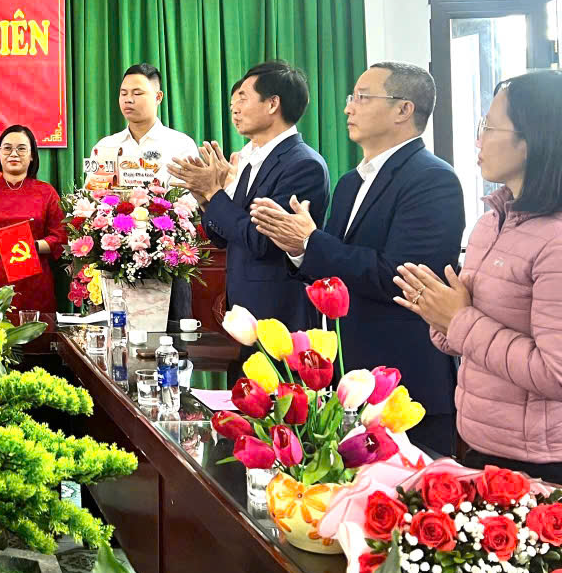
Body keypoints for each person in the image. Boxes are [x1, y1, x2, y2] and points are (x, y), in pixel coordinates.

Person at [251, 62, 464, 456]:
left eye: (362, 98)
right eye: (351, 98)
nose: (348, 108)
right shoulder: (351, 182)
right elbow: (330, 267)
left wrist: (311, 241)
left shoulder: (433, 179)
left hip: (404, 383)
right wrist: (298, 249)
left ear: (404, 109)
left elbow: (400, 277)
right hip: (348, 380)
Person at [393, 70, 562, 481]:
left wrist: (458, 319)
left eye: (489, 127)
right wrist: (437, 312)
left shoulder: (555, 240)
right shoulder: (490, 224)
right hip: (478, 440)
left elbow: (555, 374)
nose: (478, 140)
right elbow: (463, 338)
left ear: (532, 139)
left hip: (539, 461)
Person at [170, 63, 329, 326]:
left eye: (243, 98)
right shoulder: (252, 160)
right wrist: (205, 199)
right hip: (245, 308)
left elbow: (262, 241)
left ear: (272, 104)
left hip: (279, 313)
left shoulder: (303, 164)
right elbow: (223, 237)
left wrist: (214, 191)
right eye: (233, 103)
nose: (234, 109)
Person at [90, 64, 199, 321]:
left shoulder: (180, 145)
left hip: (167, 263)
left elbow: (190, 203)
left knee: (172, 337)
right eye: (123, 93)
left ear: (158, 97)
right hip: (115, 261)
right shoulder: (106, 147)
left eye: (137, 93)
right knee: (114, 337)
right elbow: (93, 200)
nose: (128, 99)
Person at [0, 125, 67, 326]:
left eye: (21, 148)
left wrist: (31, 247)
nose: (14, 154)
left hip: (35, 284)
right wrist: (16, 248)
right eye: (7, 148)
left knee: (37, 340)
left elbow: (60, 237)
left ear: (32, 156)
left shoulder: (46, 192)